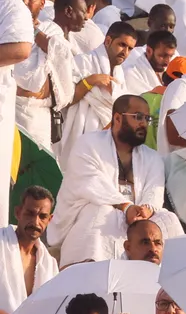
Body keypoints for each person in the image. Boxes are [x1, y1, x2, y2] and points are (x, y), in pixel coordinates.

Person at [46, 95, 169, 263]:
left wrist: (146, 210)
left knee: (167, 220)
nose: (143, 123)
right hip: (96, 211)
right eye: (138, 117)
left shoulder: (152, 157)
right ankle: (94, 271)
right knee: (104, 214)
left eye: (147, 119)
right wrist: (125, 207)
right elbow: (90, 183)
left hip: (139, 217)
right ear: (118, 118)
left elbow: (155, 189)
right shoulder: (88, 143)